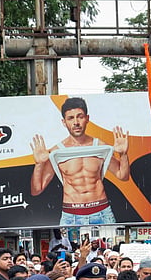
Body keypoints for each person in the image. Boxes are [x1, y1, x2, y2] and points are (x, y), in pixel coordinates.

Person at [30, 97, 131, 230]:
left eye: (80, 117)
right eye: (70, 118)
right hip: (71, 216)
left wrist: (123, 154)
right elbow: (36, 189)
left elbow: (122, 175)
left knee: (108, 250)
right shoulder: (57, 152)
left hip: (102, 212)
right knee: (70, 252)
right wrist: (39, 164)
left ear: (87, 118)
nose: (76, 122)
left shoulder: (99, 146)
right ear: (64, 122)